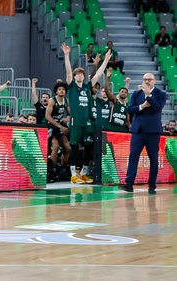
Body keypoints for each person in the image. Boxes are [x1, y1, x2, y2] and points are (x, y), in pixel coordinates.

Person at [61, 42, 111, 184]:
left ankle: (83, 173)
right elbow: (68, 72)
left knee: (89, 147)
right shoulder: (71, 87)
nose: (80, 76)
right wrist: (66, 55)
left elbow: (99, 74)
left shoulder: (88, 86)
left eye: (82, 74)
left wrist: (106, 60)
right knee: (75, 148)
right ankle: (73, 174)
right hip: (76, 121)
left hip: (88, 121)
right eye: (78, 74)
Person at [120, 73, 167, 194]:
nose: (147, 81)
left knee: (153, 159)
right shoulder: (136, 94)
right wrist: (142, 106)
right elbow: (130, 109)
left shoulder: (161, 94)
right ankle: (129, 184)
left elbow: (158, 107)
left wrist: (148, 95)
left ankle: (152, 185)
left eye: (149, 79)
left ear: (154, 81)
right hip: (138, 131)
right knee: (133, 156)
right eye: (145, 79)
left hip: (153, 132)